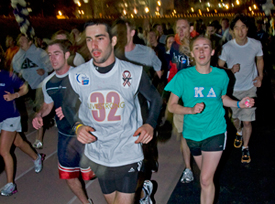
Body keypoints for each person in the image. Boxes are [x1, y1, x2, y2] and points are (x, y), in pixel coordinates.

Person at [67, 20, 162, 204]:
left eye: (99, 38)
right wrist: (78, 126)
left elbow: (155, 99)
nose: (93, 45)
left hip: (128, 148)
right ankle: (143, 194)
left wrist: (150, 124)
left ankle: (140, 191)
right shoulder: (78, 75)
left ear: (113, 40)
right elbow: (67, 106)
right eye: (89, 40)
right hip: (99, 151)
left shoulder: (133, 72)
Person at [165, 35, 255, 204]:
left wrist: (238, 103)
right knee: (206, 179)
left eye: (205, 47)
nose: (201, 51)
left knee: (205, 179)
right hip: (192, 134)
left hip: (215, 131)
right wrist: (190, 110)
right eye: (197, 47)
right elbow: (171, 106)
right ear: (192, 53)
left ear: (212, 52)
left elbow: (221, 98)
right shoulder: (183, 76)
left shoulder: (222, 75)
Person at [32, 39, 94, 204]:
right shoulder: (48, 83)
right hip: (65, 136)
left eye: (56, 54)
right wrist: (39, 115)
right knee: (69, 175)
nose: (52, 59)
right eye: (50, 55)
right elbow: (48, 104)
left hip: (87, 134)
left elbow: (95, 102)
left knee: (95, 174)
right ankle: (86, 202)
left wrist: (72, 109)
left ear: (67, 55)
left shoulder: (82, 75)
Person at [218, 14, 264, 163]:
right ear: (232, 31)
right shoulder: (227, 47)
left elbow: (260, 59)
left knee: (248, 121)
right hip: (233, 90)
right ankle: (238, 131)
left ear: (247, 29)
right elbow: (219, 66)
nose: (240, 31)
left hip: (250, 87)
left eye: (243, 27)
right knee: (236, 118)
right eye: (237, 28)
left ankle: (245, 147)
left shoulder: (255, 44)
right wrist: (230, 69)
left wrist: (260, 76)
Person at [0, 51, 44, 196]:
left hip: (10, 117)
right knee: (18, 142)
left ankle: (10, 184)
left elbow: (25, 87)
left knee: (4, 151)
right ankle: (36, 157)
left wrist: (15, 95)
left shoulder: (7, 76)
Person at [12, 33, 53, 149]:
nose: (21, 42)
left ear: (30, 42)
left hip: (40, 84)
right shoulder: (18, 55)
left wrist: (44, 70)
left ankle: (38, 138)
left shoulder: (39, 53)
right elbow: (15, 68)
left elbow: (50, 65)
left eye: (24, 40)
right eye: (19, 40)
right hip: (26, 85)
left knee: (38, 111)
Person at [169, 18, 194, 183]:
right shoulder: (174, 47)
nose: (181, 31)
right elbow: (173, 68)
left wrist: (191, 54)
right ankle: (188, 168)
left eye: (184, 28)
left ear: (191, 28)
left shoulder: (199, 43)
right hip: (181, 94)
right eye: (178, 28)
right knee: (184, 133)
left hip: (197, 94)